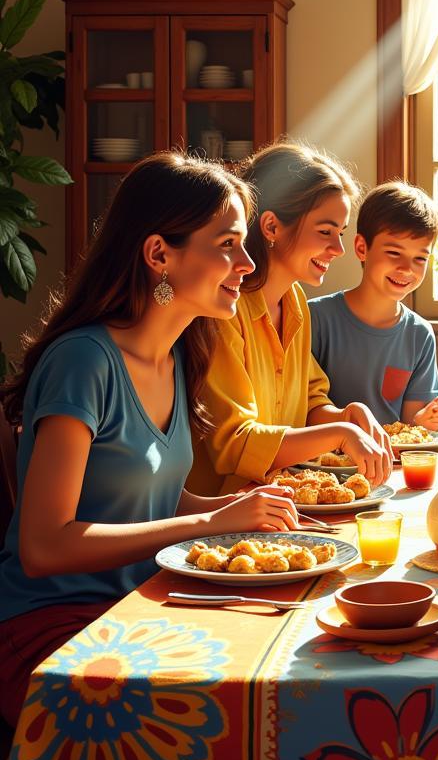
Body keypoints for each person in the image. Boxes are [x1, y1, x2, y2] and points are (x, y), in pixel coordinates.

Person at [0, 153, 301, 728]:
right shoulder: (84, 363)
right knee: (217, 719)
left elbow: (152, 499)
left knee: (283, 668)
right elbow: (44, 547)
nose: (246, 263)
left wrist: (235, 513)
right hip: (55, 629)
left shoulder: (177, 356)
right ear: (160, 253)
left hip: (139, 607)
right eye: (227, 244)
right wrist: (205, 525)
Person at [186, 142, 393, 496]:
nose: (338, 250)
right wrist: (341, 434)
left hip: (277, 505)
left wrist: (346, 416)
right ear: (272, 227)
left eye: (340, 233)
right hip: (216, 517)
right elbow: (233, 444)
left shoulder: (294, 301)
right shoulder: (222, 310)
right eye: (325, 232)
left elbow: (310, 402)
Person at [309, 181, 438, 429]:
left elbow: (410, 426)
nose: (407, 268)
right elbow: (302, 411)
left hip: (387, 462)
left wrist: (422, 422)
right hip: (324, 463)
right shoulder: (315, 319)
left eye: (419, 258)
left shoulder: (419, 334)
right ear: (362, 248)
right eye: (394, 253)